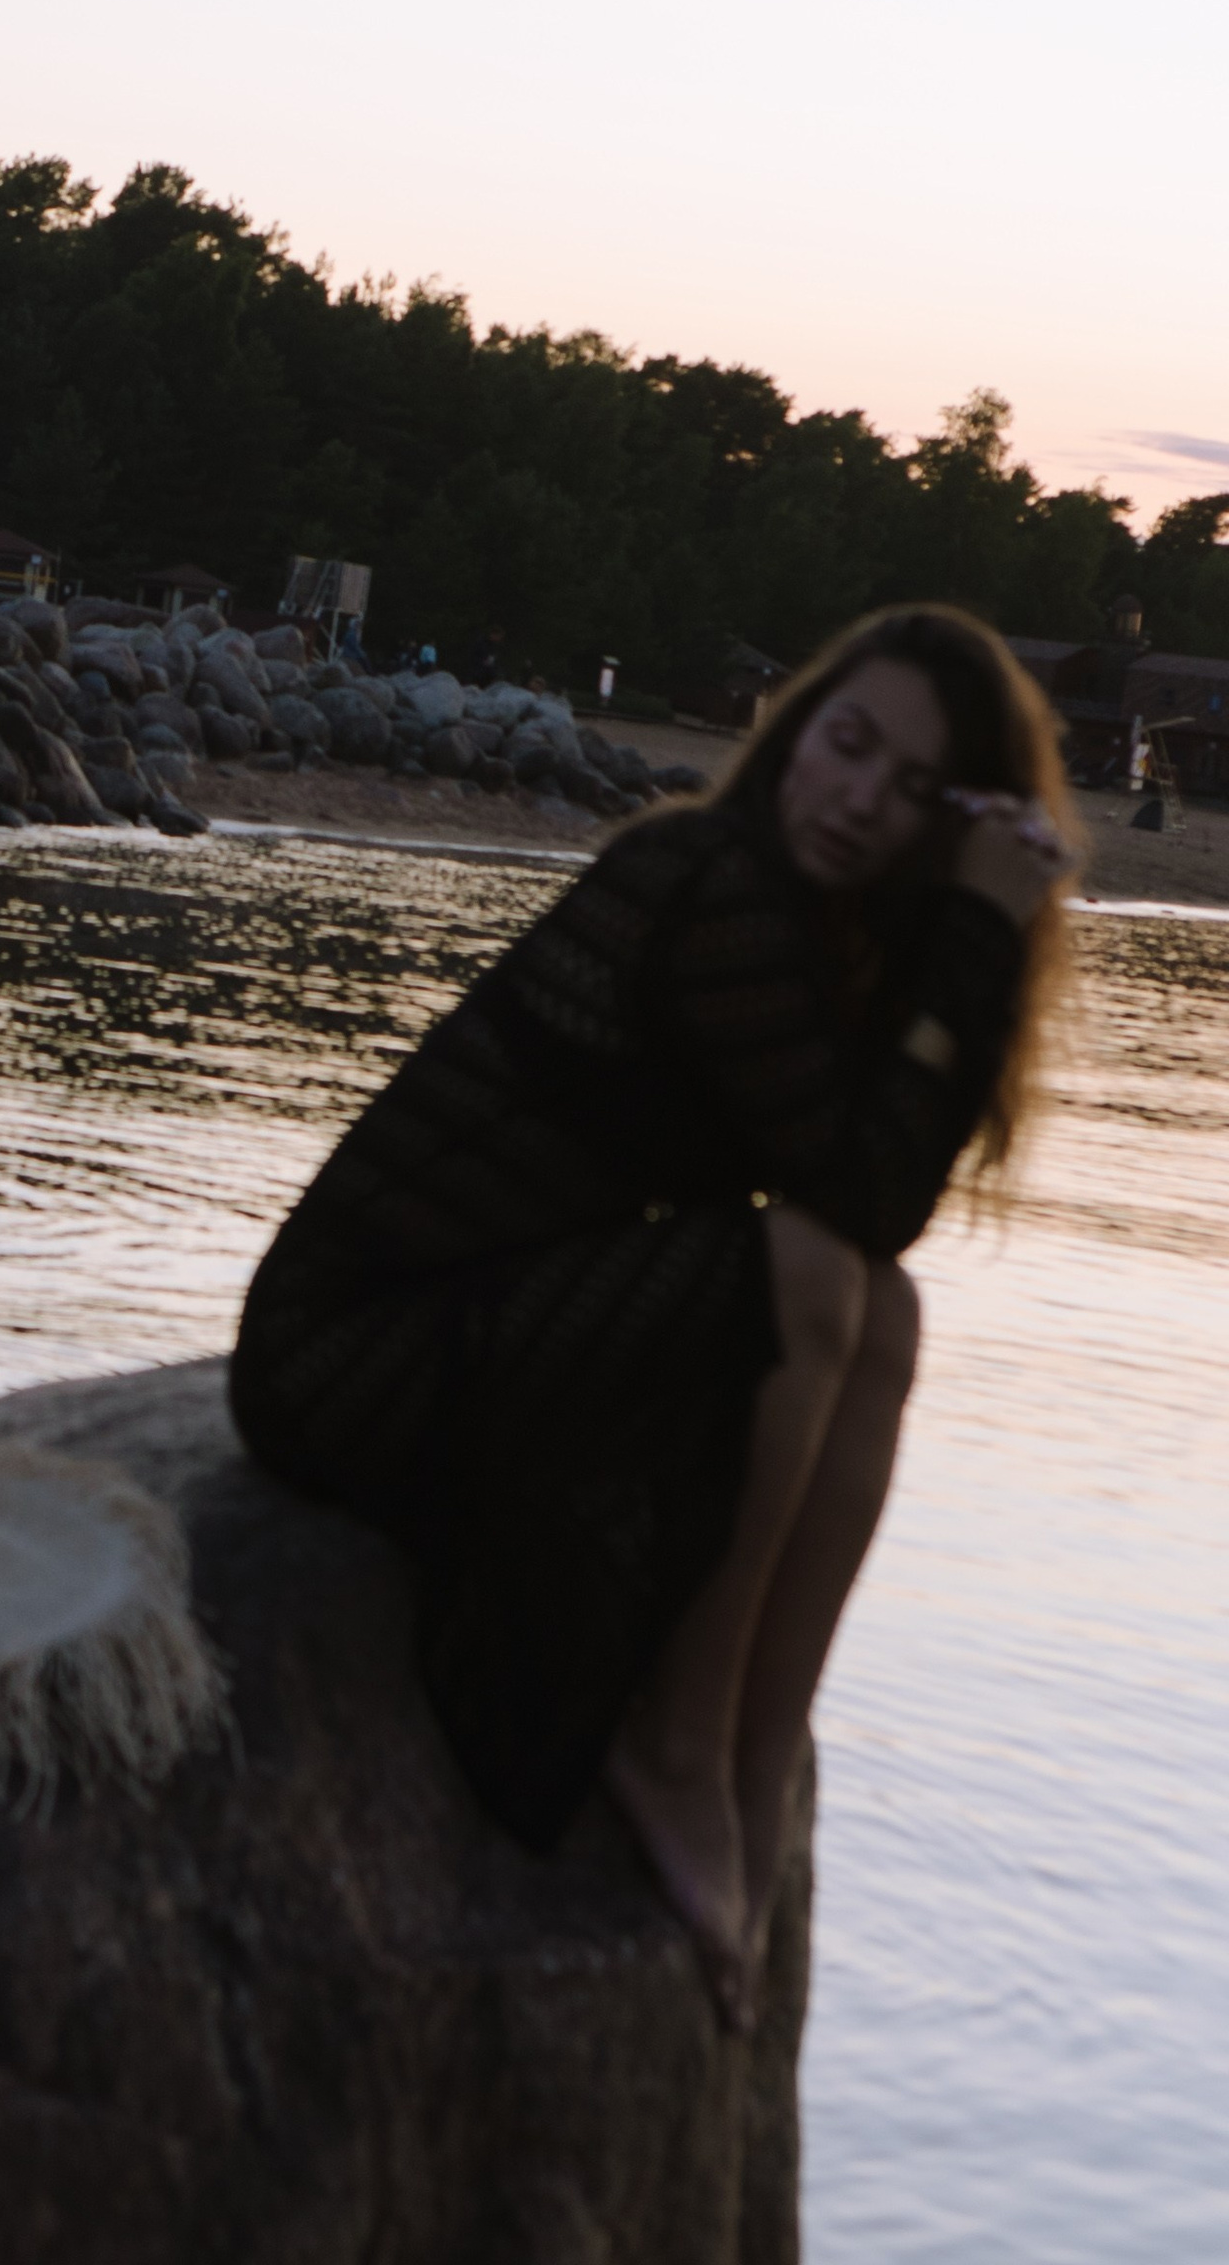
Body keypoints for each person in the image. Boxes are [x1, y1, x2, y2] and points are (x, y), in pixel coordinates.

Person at [228, 605, 1074, 2028]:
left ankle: (751, 1756)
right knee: (817, 1271)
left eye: (913, 790)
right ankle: (682, 1747)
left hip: (506, 1318)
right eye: (846, 744)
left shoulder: (831, 932)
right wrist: (981, 931)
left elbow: (885, 1221)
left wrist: (961, 947)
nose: (860, 797)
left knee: (888, 1316)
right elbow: (852, 1198)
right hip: (350, 1353)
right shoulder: (706, 880)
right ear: (796, 730)